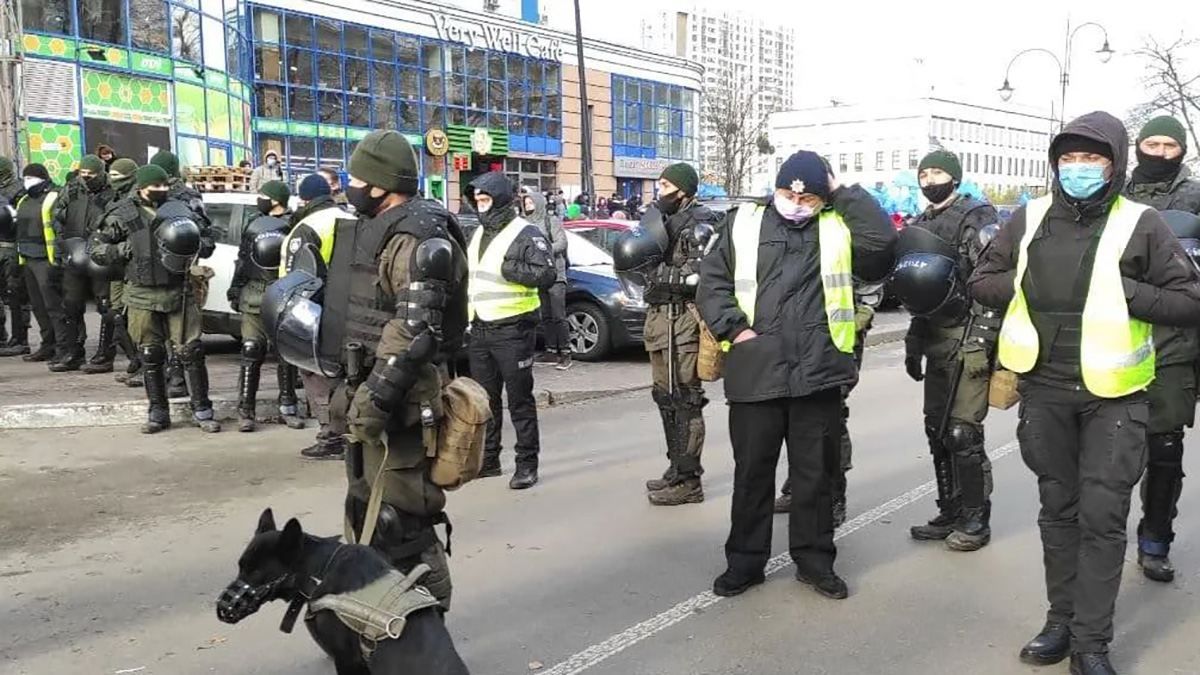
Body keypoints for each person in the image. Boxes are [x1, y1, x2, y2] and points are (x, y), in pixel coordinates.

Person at [969, 111, 1200, 675]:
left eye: (1091, 158)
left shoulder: (1142, 223)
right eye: (1068, 158)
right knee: (1059, 512)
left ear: (1115, 164)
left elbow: (1188, 300)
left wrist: (1119, 289)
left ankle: (1091, 643)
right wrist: (1030, 282)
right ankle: (1060, 622)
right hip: (1045, 391)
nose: (1078, 168)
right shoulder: (1028, 217)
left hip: (1114, 399)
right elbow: (981, 279)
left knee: (1102, 517)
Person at [698, 150, 895, 600]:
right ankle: (745, 563)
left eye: (808, 197)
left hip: (818, 372)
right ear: (777, 189)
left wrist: (842, 192)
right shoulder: (742, 222)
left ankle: (815, 561)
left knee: (815, 476)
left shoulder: (838, 223)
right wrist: (736, 329)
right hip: (755, 369)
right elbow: (713, 281)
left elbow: (881, 243)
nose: (797, 202)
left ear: (822, 197)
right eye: (789, 193)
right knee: (752, 475)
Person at [331, 129, 468, 610]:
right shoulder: (384, 228)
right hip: (370, 383)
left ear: (380, 184)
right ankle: (380, 612)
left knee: (401, 514)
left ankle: (428, 622)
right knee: (365, 505)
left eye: (355, 178)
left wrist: (375, 399)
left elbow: (414, 333)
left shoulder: (418, 237)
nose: (348, 185)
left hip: (402, 397)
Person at [894, 149, 1001, 552]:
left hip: (968, 333)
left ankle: (976, 516)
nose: (930, 179)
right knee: (936, 430)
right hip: (935, 336)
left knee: (962, 432)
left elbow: (991, 285)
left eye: (938, 172)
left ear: (955, 177)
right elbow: (919, 294)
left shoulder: (977, 218)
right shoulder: (920, 224)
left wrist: (981, 343)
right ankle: (949, 508)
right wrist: (912, 342)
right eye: (924, 172)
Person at [92, 165, 221, 435]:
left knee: (191, 351)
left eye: (165, 186)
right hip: (142, 291)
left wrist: (194, 241)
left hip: (180, 288)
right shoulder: (123, 213)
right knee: (151, 354)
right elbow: (96, 249)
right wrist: (124, 249)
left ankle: (202, 409)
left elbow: (208, 240)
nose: (161, 191)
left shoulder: (181, 208)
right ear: (141, 187)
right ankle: (158, 412)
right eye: (155, 187)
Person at [623, 163, 720, 506]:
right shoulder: (659, 222)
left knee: (685, 399)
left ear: (684, 190)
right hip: (659, 318)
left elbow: (698, 275)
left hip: (684, 321)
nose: (659, 190)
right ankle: (675, 467)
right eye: (659, 184)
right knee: (664, 397)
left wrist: (663, 279)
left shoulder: (701, 224)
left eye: (665, 185)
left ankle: (689, 479)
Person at [465, 172, 557, 489]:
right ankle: (489, 460)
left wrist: (510, 269)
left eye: (486, 200)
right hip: (479, 328)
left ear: (501, 200)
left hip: (514, 330)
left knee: (519, 401)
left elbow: (546, 273)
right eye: (477, 201)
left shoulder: (525, 232)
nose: (481, 207)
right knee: (486, 401)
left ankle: (526, 464)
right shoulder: (478, 234)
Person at [774, 284, 877, 527]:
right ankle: (798, 488)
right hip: (798, 331)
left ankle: (834, 499)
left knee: (831, 417)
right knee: (794, 412)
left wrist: (860, 317)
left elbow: (869, 284)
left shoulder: (843, 246)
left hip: (839, 336)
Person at [1134, 209, 1200, 584]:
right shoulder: (1118, 202)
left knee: (1165, 453)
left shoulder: (1194, 198)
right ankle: (1096, 545)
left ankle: (1155, 541)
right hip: (1115, 349)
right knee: (1105, 458)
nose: (1159, 149)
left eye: (1167, 143)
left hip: (1177, 349)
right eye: (1151, 143)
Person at [282, 173, 352, 459]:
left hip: (315, 313)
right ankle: (351, 434)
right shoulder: (350, 218)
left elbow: (295, 276)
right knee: (346, 376)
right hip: (351, 311)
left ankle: (330, 437)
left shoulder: (307, 225)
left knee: (315, 374)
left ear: (305, 198)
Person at [228, 179, 302, 433]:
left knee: (286, 354)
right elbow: (242, 260)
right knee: (251, 349)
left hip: (284, 294)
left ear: (276, 200)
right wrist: (235, 289)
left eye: (263, 195)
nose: (259, 198)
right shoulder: (254, 224)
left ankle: (288, 407)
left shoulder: (295, 225)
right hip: (254, 293)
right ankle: (245, 410)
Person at [50, 154, 119, 372]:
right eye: (83, 173)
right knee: (71, 304)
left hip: (99, 255)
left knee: (105, 305)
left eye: (91, 174)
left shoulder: (112, 192)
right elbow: (56, 217)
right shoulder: (71, 190)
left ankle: (105, 354)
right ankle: (74, 352)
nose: (86, 177)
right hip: (74, 252)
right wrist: (63, 244)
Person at [150, 150, 207, 398]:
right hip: (186, 270)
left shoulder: (151, 196)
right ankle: (176, 377)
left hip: (157, 270)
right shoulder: (190, 196)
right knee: (184, 331)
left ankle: (173, 376)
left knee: (166, 331)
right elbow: (204, 232)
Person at [90, 158, 143, 382]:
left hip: (132, 266)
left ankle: (144, 365)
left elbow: (138, 238)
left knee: (135, 318)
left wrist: (110, 246)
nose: (113, 181)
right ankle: (136, 361)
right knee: (117, 314)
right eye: (111, 176)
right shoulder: (118, 198)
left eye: (118, 177)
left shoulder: (136, 201)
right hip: (116, 267)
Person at [13, 163, 67, 365]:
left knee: (54, 306)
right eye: (25, 178)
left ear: (43, 178)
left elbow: (59, 229)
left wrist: (58, 260)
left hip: (47, 260)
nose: (27, 182)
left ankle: (63, 347)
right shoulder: (24, 200)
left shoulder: (53, 197)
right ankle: (47, 344)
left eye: (31, 178)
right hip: (28, 258)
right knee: (38, 306)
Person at [521, 190, 570, 370]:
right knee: (546, 316)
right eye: (526, 204)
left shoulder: (552, 221)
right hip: (539, 276)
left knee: (559, 316)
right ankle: (550, 350)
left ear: (539, 203)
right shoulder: (525, 224)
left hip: (556, 274)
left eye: (531, 203)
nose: (528, 207)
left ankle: (565, 352)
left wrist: (543, 250)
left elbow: (561, 243)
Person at [1124, 115, 1200, 215]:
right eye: (1152, 145)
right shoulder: (1114, 194)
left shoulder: (1196, 196)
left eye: (1170, 146)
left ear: (1183, 150)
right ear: (1138, 146)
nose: (1160, 153)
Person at [0, 156, 31, 356]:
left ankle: (20, 339)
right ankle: (3, 337)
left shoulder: (19, 191)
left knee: (16, 295)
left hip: (12, 248)